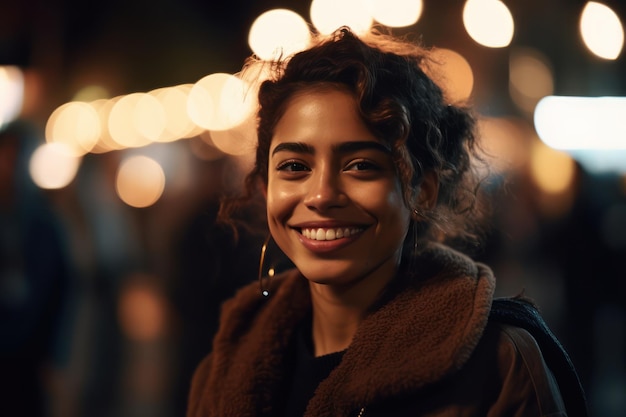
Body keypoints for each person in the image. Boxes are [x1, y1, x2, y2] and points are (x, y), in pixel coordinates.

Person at [186, 27, 587, 417]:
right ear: (264, 185)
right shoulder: (224, 368)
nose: (322, 195)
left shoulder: (500, 367)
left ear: (422, 191)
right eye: (294, 166)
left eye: (361, 165)